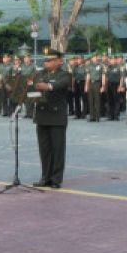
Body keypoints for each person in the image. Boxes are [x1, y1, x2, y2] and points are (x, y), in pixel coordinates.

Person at [32, 49, 71, 189]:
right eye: (46, 60)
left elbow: (61, 84)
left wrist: (48, 86)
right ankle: (45, 177)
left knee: (57, 149)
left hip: (56, 117)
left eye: (50, 60)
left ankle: (56, 179)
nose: (46, 63)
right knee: (45, 149)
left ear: (59, 61)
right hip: (42, 116)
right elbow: (32, 86)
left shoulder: (64, 74)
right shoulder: (40, 73)